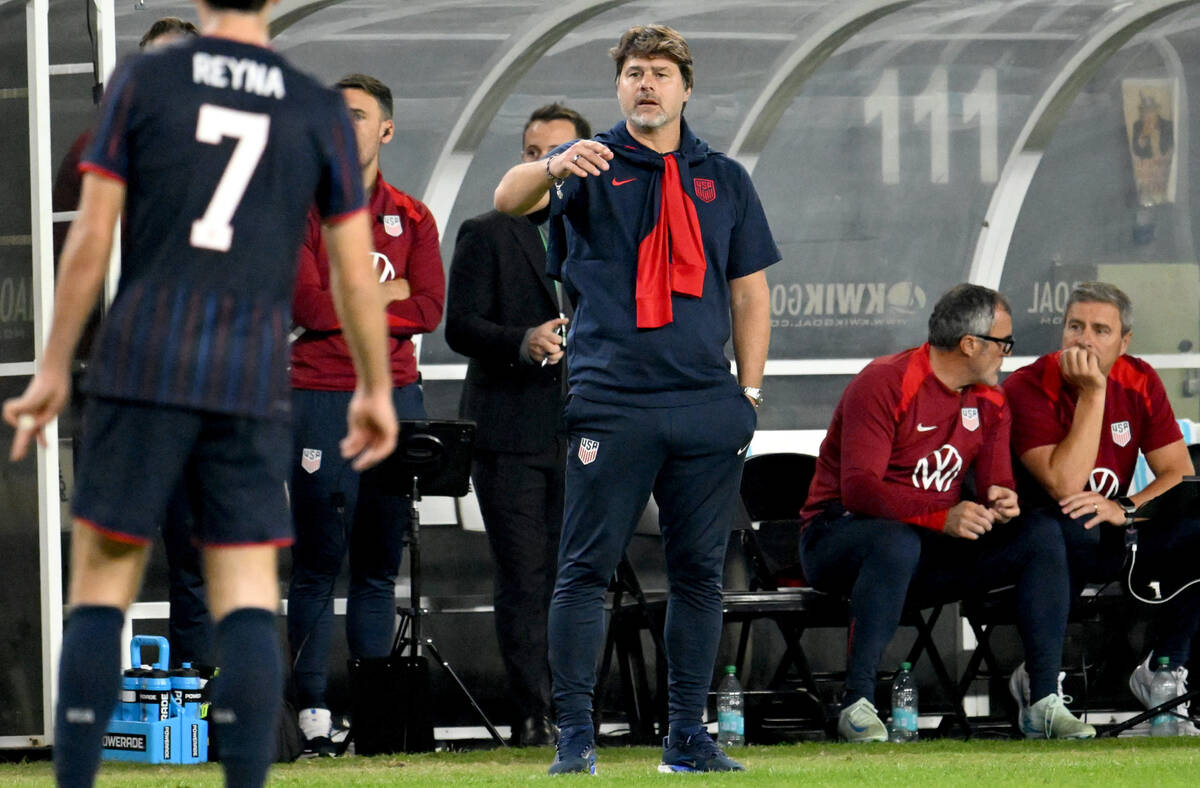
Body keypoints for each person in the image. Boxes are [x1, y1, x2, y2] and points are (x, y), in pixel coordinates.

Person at [3, 3, 398, 787]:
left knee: (104, 583)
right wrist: (376, 385)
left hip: (142, 352)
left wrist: (52, 366)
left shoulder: (148, 78)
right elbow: (356, 274)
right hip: (249, 369)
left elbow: (90, 235)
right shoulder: (314, 105)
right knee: (246, 589)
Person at [495, 24, 778, 774]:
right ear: (617, 88)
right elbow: (507, 197)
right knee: (583, 571)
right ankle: (577, 737)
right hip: (613, 400)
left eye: (659, 73)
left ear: (687, 87)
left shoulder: (725, 177)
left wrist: (747, 393)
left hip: (704, 404)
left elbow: (750, 293)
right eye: (632, 74)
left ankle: (688, 736)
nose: (645, 84)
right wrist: (553, 163)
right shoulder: (587, 164)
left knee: (698, 574)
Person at [798, 284, 1095, 742]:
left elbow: (997, 479)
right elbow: (860, 490)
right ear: (970, 344)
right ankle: (855, 703)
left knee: (1041, 533)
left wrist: (1003, 500)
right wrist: (942, 516)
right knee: (895, 541)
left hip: (928, 549)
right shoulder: (885, 381)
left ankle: (1041, 701)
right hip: (839, 539)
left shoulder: (990, 399)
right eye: (1003, 343)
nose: (1007, 355)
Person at [52, 15, 216, 673]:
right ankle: (93, 699)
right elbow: (70, 259)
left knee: (197, 551)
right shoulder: (96, 150)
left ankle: (198, 701)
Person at [287, 72, 444, 755]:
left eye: (354, 115)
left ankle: (376, 719)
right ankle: (313, 714)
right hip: (320, 399)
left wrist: (351, 300)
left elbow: (430, 309)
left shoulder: (412, 216)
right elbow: (307, 307)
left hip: (398, 399)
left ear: (385, 129)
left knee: (379, 565)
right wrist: (387, 296)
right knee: (319, 560)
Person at [445, 103, 591, 747]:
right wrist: (521, 340)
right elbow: (459, 327)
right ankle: (532, 713)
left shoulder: (601, 232)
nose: (545, 164)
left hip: (586, 430)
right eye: (534, 153)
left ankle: (578, 707)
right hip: (510, 433)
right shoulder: (488, 231)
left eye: (559, 152)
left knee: (577, 576)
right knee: (526, 575)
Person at [1002, 281, 1200, 733]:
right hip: (1039, 540)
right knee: (1072, 523)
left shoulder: (1139, 378)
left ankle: (1164, 670)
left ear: (1124, 342)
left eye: (1100, 330)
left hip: (1108, 533)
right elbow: (1064, 485)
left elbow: (1178, 474)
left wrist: (1126, 507)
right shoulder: (1028, 385)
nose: (1084, 339)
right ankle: (1040, 677)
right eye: (1075, 326)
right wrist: (1093, 393)